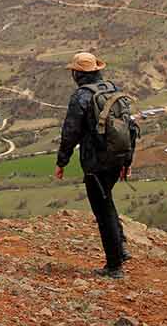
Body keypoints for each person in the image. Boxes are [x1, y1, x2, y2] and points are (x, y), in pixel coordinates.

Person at [55, 52, 138, 279]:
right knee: (106, 200)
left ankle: (114, 265)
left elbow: (70, 133)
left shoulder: (81, 97)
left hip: (96, 162)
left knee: (102, 210)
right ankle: (120, 248)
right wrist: (127, 160)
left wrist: (62, 161)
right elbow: (129, 128)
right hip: (117, 157)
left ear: (77, 73)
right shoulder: (112, 89)